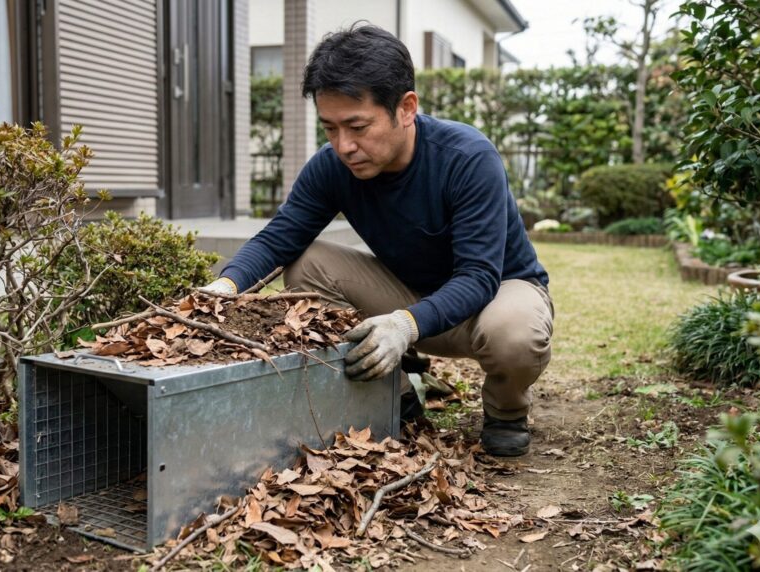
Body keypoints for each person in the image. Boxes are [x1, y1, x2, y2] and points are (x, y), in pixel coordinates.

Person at [201, 24, 553, 457]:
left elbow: (479, 276)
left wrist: (403, 325)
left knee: (514, 334)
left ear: (406, 108)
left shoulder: (467, 158)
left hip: (493, 296)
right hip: (407, 294)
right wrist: (223, 288)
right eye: (330, 128)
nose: (344, 145)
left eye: (357, 126)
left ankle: (506, 410)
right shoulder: (332, 167)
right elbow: (279, 238)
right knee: (306, 261)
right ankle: (393, 392)